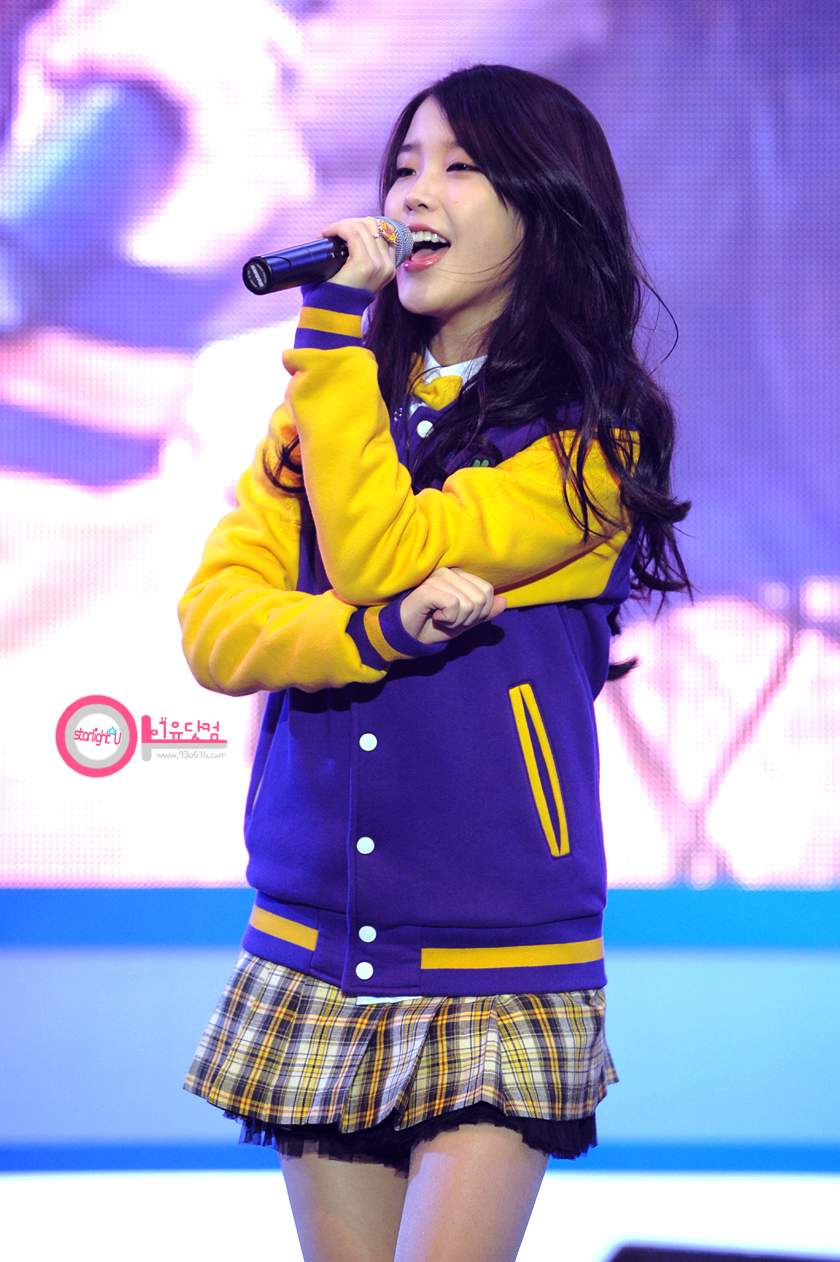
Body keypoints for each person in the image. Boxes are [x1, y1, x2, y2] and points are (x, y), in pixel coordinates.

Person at [178, 64, 690, 1262]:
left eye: (459, 167)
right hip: (311, 931)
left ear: (544, 206)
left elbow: (382, 550)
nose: (414, 194)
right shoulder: (327, 413)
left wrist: (326, 336)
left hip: (497, 943)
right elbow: (217, 625)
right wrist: (374, 636)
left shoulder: (595, 443)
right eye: (404, 165)